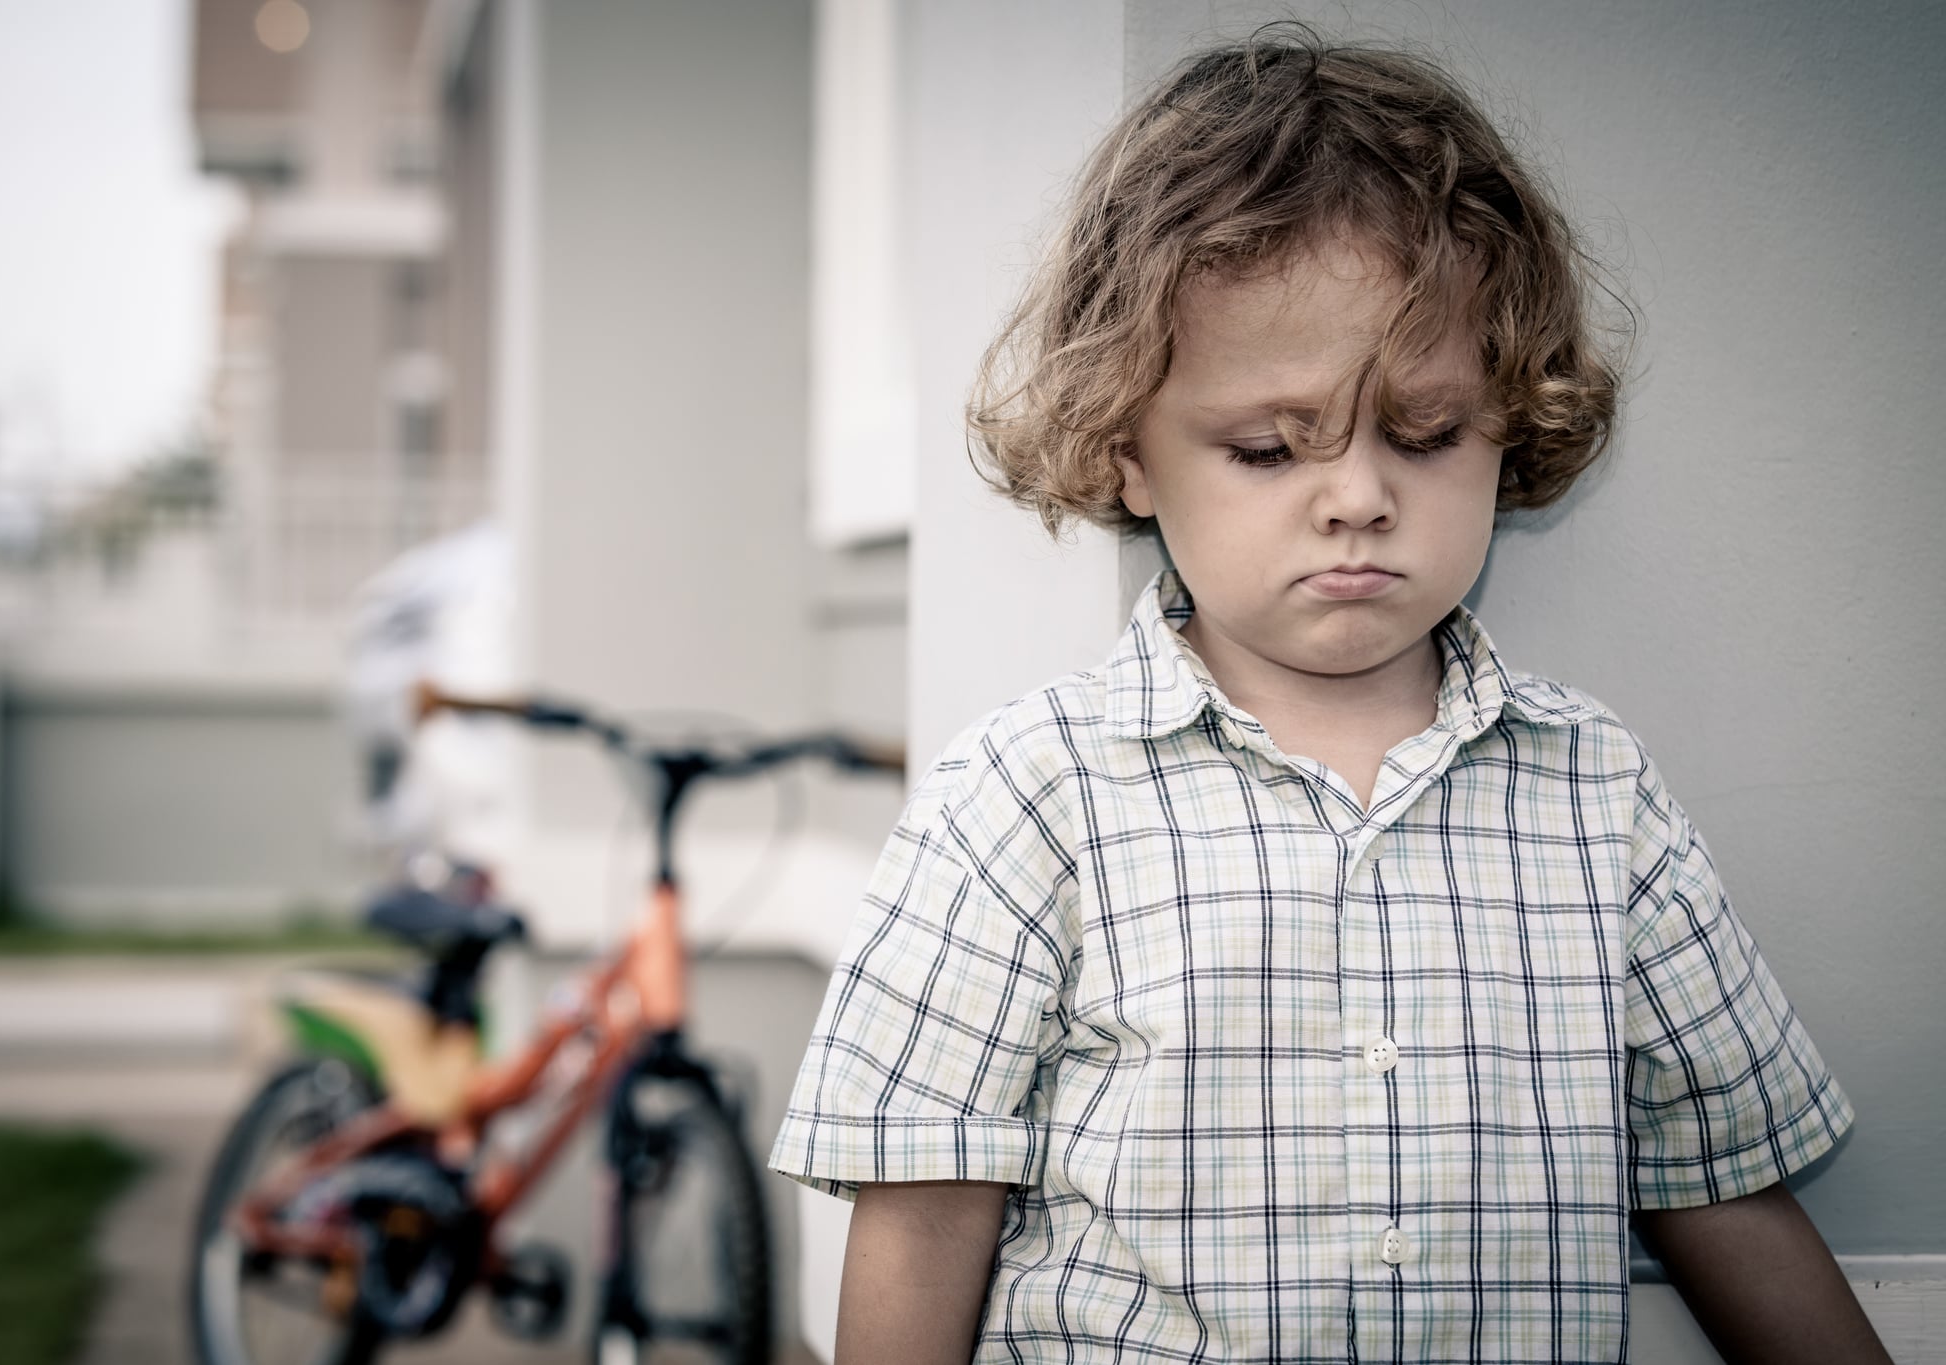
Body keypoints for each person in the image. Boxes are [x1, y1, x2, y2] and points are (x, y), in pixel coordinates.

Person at [769, 25, 1889, 1364]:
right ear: (1130, 452)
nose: (1358, 495)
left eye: (1425, 433)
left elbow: (1728, 1181)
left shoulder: (1597, 794)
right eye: (1267, 446)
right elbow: (922, 1210)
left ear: (1506, 421)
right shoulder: (1027, 798)